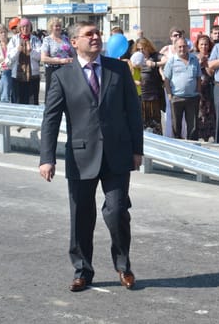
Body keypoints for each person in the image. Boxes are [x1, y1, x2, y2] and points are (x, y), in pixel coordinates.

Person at [39, 20, 143, 291]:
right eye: (89, 34)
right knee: (81, 216)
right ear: (74, 42)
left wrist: (137, 150)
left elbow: (133, 111)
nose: (96, 37)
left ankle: (123, 266)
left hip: (117, 155)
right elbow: (50, 119)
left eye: (98, 33)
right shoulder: (62, 76)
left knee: (117, 211)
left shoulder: (118, 69)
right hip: (81, 155)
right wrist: (46, 158)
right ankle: (82, 270)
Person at [163, 37, 201, 140]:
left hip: (192, 98)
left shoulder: (194, 59)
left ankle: (193, 148)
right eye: (179, 47)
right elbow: (166, 79)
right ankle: (178, 148)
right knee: (176, 126)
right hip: (177, 97)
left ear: (188, 47)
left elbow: (198, 77)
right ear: (175, 48)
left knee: (193, 127)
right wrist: (170, 95)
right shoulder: (171, 61)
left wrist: (198, 92)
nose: (182, 49)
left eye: (184, 46)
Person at [6, 18, 42, 105]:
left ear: (30, 27)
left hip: (33, 77)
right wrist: (17, 50)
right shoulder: (14, 39)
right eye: (23, 27)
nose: (25, 29)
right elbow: (9, 57)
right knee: (18, 102)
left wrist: (31, 51)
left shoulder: (35, 40)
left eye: (27, 26)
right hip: (17, 77)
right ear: (19, 28)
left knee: (33, 102)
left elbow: (40, 57)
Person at [135, 37, 165, 134]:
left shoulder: (154, 56)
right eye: (138, 49)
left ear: (148, 47)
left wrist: (154, 64)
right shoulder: (136, 59)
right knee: (142, 125)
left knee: (155, 124)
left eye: (143, 48)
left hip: (153, 96)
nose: (141, 51)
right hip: (140, 96)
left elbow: (167, 60)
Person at [41, 17, 74, 99]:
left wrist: (71, 59)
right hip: (53, 70)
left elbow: (73, 53)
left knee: (66, 93)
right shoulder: (47, 40)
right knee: (53, 94)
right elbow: (43, 58)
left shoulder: (66, 38)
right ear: (51, 27)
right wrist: (60, 60)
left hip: (66, 69)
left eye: (59, 26)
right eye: (56, 26)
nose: (58, 28)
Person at [194, 34, 216, 141]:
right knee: (199, 113)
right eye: (201, 44)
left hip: (210, 88)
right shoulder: (193, 56)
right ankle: (200, 135)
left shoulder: (213, 56)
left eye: (206, 44)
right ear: (198, 46)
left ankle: (210, 135)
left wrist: (206, 63)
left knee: (210, 112)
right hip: (198, 89)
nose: (204, 47)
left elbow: (211, 74)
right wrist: (199, 63)